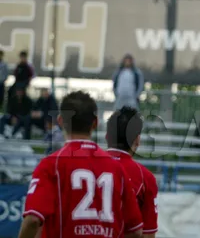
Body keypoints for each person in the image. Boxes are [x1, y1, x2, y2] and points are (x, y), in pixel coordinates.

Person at [19, 91, 143, 238]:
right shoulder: (116, 168)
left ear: (60, 121)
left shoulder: (51, 164)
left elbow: (33, 220)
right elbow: (135, 230)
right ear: (95, 123)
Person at [106, 106, 159, 237]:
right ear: (137, 140)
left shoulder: (85, 166)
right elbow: (148, 235)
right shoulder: (145, 177)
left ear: (107, 137)